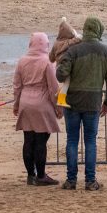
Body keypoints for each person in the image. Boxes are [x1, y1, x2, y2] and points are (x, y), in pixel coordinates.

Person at [55, 17, 107, 191]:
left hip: (72, 102)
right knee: (90, 141)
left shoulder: (73, 50)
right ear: (98, 30)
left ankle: (71, 180)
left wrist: (62, 65)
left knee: (72, 140)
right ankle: (90, 181)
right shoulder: (106, 51)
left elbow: (60, 75)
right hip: (93, 102)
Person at [13, 32, 62, 187]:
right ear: (45, 44)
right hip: (42, 103)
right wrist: (58, 107)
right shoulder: (48, 62)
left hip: (25, 102)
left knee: (28, 139)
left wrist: (16, 104)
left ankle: (30, 175)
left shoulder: (21, 61)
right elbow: (53, 88)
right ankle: (41, 176)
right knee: (41, 140)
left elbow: (17, 85)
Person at [49, 17, 81, 107]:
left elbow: (51, 58)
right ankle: (61, 100)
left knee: (65, 82)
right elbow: (78, 39)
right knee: (67, 82)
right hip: (65, 67)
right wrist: (79, 36)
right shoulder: (67, 42)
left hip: (58, 67)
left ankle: (58, 94)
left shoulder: (55, 43)